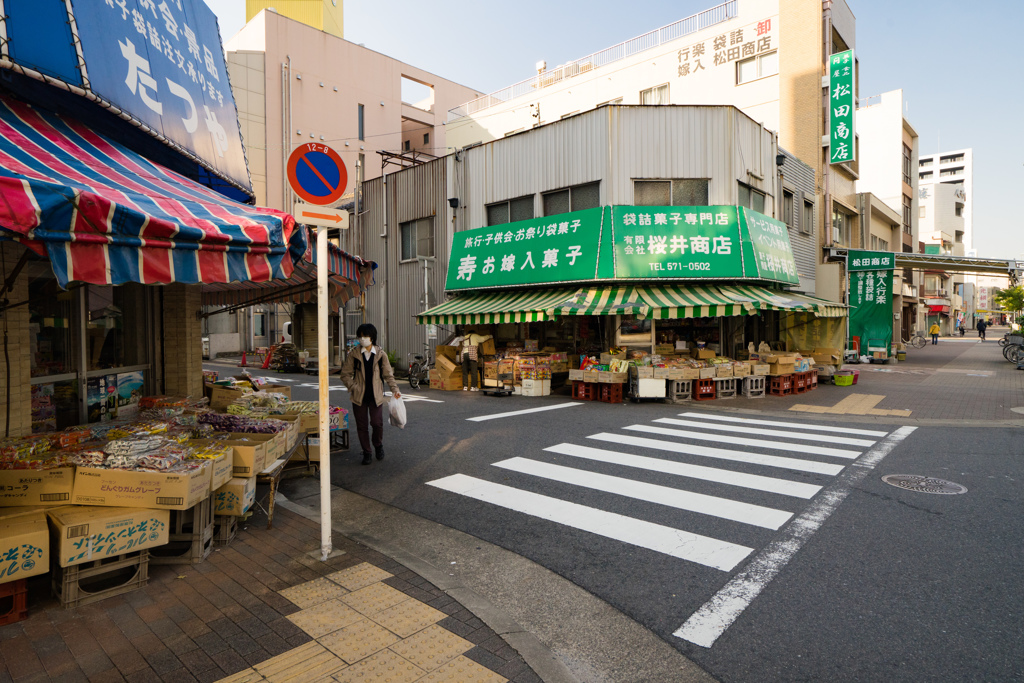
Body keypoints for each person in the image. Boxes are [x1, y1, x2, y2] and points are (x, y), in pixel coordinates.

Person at [339, 323, 401, 466]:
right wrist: (354, 387)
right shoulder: (354, 354)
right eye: (360, 336)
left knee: (377, 423)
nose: (362, 339)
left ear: (372, 337)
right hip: (358, 397)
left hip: (376, 396)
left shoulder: (380, 354)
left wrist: (395, 390)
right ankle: (367, 452)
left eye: (365, 336)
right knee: (362, 426)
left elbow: (388, 375)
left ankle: (378, 445)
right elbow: (345, 375)